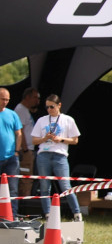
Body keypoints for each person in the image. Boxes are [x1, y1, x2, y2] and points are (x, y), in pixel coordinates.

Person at [31, 94, 82, 222]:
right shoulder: (42, 120)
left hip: (60, 156)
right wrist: (45, 138)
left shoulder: (68, 120)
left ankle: (77, 214)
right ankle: (48, 215)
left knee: (65, 186)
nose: (49, 109)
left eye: (52, 107)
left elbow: (75, 140)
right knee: (44, 187)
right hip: (44, 155)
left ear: (59, 105)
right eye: (47, 107)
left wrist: (61, 139)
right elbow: (34, 141)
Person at [14, 87, 41, 199]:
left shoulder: (25, 110)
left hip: (29, 148)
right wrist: (24, 148)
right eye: (35, 97)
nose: (37, 101)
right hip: (26, 150)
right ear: (27, 97)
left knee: (28, 177)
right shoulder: (21, 110)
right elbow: (20, 131)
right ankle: (25, 202)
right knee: (26, 178)